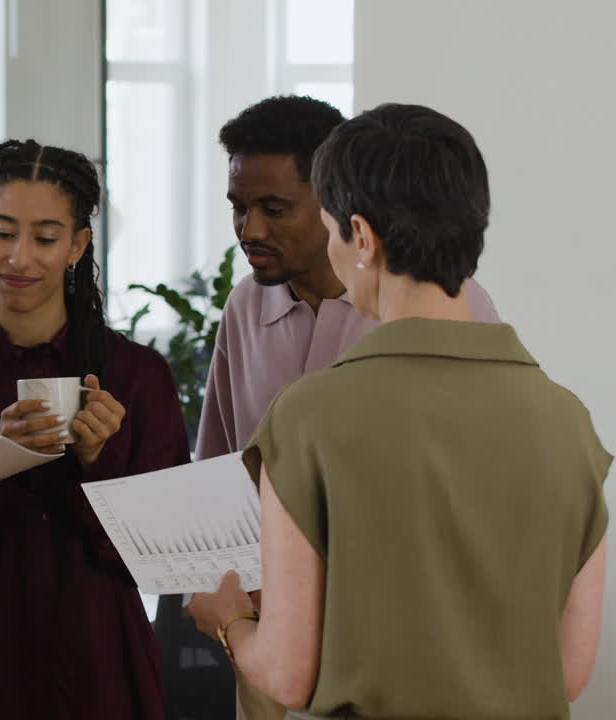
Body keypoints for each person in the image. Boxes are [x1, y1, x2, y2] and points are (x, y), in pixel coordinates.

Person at [187, 103, 609, 720]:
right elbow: (569, 671)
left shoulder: (308, 418)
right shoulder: (570, 423)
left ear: (360, 236)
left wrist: (227, 623)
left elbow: (287, 672)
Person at [155, 95, 502, 720]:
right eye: (239, 206)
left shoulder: (440, 300)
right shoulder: (244, 307)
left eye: (274, 208)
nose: (249, 229)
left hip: (389, 638)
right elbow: (223, 465)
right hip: (265, 634)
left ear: (338, 202)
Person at [0, 139, 190, 720]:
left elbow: (163, 556)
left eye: (46, 238)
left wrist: (96, 462)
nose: (20, 258)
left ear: (78, 244)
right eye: (3, 233)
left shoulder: (135, 376)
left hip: (102, 667)